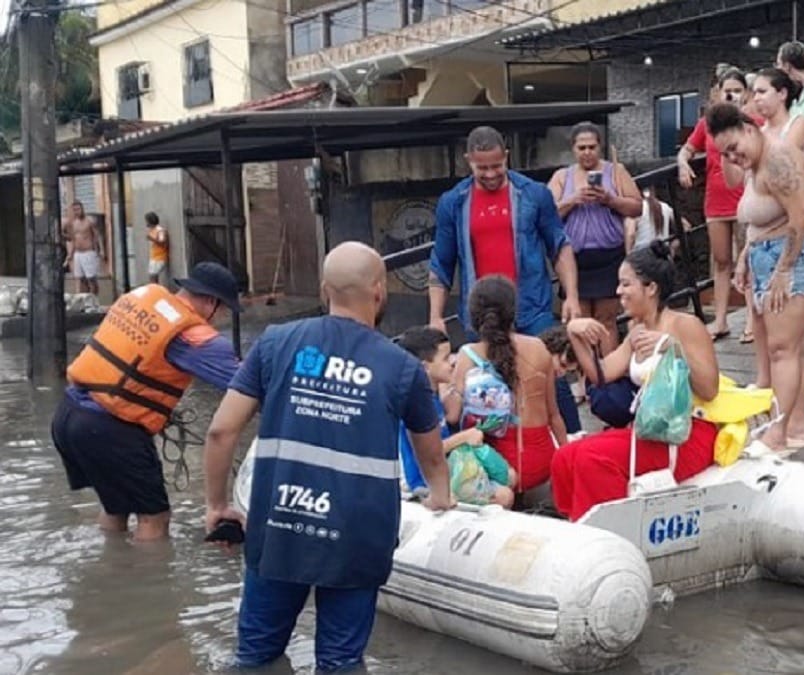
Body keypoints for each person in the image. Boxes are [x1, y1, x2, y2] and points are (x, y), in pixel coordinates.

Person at [202, 242, 453, 671]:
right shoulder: (402, 367)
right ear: (379, 291)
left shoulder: (276, 343)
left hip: (280, 522)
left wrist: (217, 504)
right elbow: (430, 456)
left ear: (323, 290)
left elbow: (221, 431)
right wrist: (441, 499)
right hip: (357, 536)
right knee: (340, 660)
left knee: (256, 656)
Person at [50, 262, 242, 541]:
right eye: (224, 310)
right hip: (110, 429)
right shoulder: (196, 338)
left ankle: (112, 570)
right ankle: (147, 577)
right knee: (155, 517)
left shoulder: (143, 297)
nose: (221, 318)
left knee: (116, 508)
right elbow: (247, 387)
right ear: (211, 302)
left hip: (67, 415)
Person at [429, 125, 583, 434]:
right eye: (481, 167)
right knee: (483, 392)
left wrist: (572, 296)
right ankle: (496, 458)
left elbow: (560, 246)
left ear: (507, 157)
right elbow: (441, 263)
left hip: (531, 308)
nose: (489, 174)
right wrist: (435, 316)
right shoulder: (453, 202)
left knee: (552, 378)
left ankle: (573, 443)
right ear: (468, 160)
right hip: (481, 317)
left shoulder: (534, 194)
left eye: (497, 166)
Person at [552, 242, 720, 521]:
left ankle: (609, 529)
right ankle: (578, 527)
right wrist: (573, 332)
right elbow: (601, 374)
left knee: (591, 458)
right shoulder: (636, 330)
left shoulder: (685, 325)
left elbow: (709, 389)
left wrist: (671, 346)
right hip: (651, 430)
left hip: (688, 432)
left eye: (625, 284)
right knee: (564, 457)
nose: (618, 292)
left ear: (650, 288)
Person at [711, 102, 804, 450]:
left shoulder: (777, 158)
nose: (733, 158)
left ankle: (778, 432)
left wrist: (784, 270)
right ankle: (796, 429)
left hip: (800, 254)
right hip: (771, 252)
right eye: (726, 154)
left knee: (782, 349)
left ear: (750, 130)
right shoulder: (757, 158)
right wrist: (745, 257)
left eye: (734, 149)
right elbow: (762, 218)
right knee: (792, 349)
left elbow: (799, 217)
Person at [444, 276, 567, 494]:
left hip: (501, 466)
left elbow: (452, 416)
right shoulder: (539, 347)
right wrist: (566, 458)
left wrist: (443, 384)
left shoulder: (468, 354)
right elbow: (554, 415)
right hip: (542, 462)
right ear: (512, 313)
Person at [396, 326, 517, 507]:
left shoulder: (432, 394)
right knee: (504, 496)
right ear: (425, 367)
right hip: (427, 482)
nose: (452, 362)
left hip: (451, 465)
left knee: (511, 477)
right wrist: (464, 437)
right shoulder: (413, 403)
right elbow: (427, 451)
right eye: (445, 358)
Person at [549, 122, 642, 345]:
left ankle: (607, 373)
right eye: (582, 148)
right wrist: (573, 200)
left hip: (609, 255)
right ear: (573, 149)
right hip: (574, 259)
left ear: (600, 147)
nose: (587, 152)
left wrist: (610, 199)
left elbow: (637, 207)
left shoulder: (616, 172)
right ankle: (586, 376)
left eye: (592, 147)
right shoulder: (563, 177)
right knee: (579, 320)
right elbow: (547, 215)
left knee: (606, 319)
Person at [679, 66, 753, 341]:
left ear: (745, 94)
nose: (732, 95)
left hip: (744, 197)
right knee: (722, 261)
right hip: (716, 198)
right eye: (727, 90)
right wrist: (683, 165)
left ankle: (752, 320)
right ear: (718, 93)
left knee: (751, 260)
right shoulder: (707, 123)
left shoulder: (750, 121)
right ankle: (720, 319)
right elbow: (687, 149)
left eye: (737, 90)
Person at [64, 201, 105, 296]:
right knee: (80, 278)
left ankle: (94, 298)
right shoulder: (73, 223)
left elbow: (98, 235)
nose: (77, 212)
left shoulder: (89, 221)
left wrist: (101, 250)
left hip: (89, 252)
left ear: (82, 209)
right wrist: (70, 255)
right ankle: (84, 300)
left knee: (91, 278)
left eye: (78, 209)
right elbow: (73, 239)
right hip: (78, 253)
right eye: (75, 210)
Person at [145, 212, 169, 285]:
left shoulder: (160, 230)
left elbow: (162, 242)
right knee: (152, 277)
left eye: (147, 221)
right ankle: (154, 291)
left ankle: (156, 292)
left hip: (160, 257)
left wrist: (152, 239)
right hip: (154, 257)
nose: (146, 223)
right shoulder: (152, 230)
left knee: (154, 277)